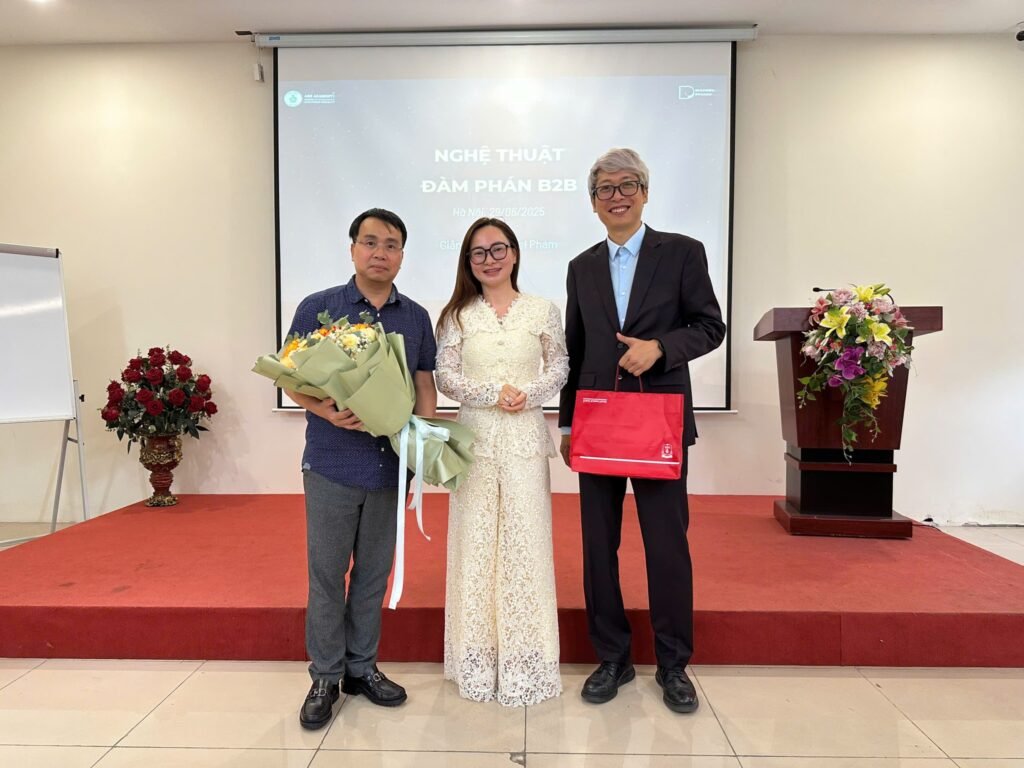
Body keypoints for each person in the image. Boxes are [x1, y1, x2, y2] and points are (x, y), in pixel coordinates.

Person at [558, 149, 726, 714]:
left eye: (628, 185)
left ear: (645, 193)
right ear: (593, 202)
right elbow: (575, 347)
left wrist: (660, 348)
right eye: (605, 189)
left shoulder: (682, 252)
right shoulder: (581, 266)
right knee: (598, 545)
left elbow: (710, 326)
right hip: (598, 422)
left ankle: (674, 664)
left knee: (666, 544)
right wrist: (567, 422)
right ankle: (613, 658)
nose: (618, 196)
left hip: (659, 420)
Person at [285, 208, 438, 729]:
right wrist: (326, 410)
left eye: (391, 244)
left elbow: (423, 383)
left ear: (402, 255)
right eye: (370, 242)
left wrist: (421, 438)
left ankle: (361, 668)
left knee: (373, 575)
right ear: (352, 248)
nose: (380, 253)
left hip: (389, 467)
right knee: (327, 575)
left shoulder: (415, 316)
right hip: (331, 461)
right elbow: (289, 377)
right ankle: (325, 676)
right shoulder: (319, 308)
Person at [435, 217, 568, 706]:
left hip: (525, 439)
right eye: (478, 252)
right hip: (475, 440)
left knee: (524, 544)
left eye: (498, 249)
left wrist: (530, 393)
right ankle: (475, 660)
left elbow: (560, 365)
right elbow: (445, 376)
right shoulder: (457, 315)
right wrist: (493, 392)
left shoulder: (542, 309)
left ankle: (526, 660)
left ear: (514, 252)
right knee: (475, 545)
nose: (489, 259)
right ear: (468, 261)